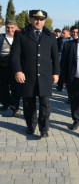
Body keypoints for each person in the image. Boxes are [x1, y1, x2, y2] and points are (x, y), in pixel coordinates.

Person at [11, 10, 60, 138]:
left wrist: (56, 73)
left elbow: (55, 56)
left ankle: (44, 129)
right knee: (28, 103)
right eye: (36, 19)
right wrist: (18, 70)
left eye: (41, 19)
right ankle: (31, 126)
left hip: (45, 76)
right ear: (30, 19)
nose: (39, 22)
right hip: (27, 75)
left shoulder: (50, 36)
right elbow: (15, 55)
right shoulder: (21, 34)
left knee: (45, 104)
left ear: (44, 20)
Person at [0, 19, 21, 116]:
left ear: (16, 28)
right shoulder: (1, 38)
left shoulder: (20, 38)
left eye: (12, 27)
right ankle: (5, 103)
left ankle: (15, 107)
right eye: (7, 27)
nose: (10, 29)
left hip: (15, 69)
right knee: (3, 87)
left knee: (16, 88)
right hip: (3, 68)